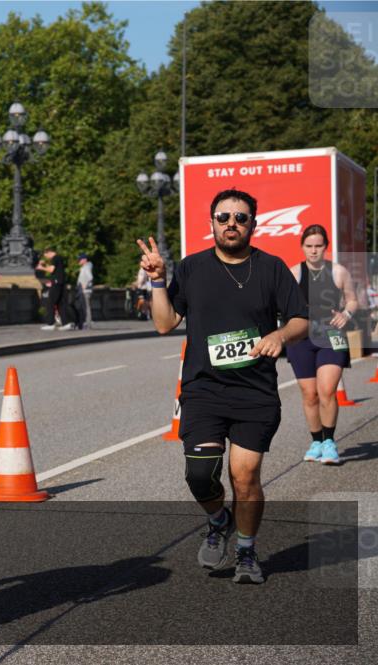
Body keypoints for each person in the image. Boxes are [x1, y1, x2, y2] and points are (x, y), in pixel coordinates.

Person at [137, 188, 308, 585]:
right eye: (223, 217)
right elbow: (165, 324)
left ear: (253, 223)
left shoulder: (272, 268)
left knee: (245, 476)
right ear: (212, 222)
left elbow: (301, 319)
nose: (232, 224)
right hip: (203, 389)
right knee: (199, 475)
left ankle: (247, 551)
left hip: (255, 393)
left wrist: (281, 336)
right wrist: (159, 282)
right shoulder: (192, 268)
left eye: (241, 218)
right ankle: (219, 520)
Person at [286, 224, 358, 465]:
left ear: (326, 247)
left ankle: (329, 442)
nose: (314, 251)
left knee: (327, 390)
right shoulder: (294, 272)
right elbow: (282, 304)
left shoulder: (338, 272)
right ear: (302, 247)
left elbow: (353, 300)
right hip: (301, 338)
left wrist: (346, 315)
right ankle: (316, 441)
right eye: (309, 246)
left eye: (318, 246)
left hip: (331, 336)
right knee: (309, 394)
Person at [38, 249, 74, 331]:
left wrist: (41, 267)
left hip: (56, 284)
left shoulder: (55, 258)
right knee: (61, 304)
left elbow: (51, 270)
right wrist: (46, 264)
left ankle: (50, 323)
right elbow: (55, 269)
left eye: (45, 255)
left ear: (48, 252)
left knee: (50, 303)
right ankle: (66, 323)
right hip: (61, 283)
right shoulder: (59, 258)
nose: (46, 257)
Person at [76, 253, 94, 329]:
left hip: (85, 290)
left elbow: (90, 277)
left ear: (85, 260)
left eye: (80, 259)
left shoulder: (86, 267)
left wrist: (84, 285)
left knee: (86, 307)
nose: (78, 261)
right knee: (85, 307)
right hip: (85, 290)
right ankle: (84, 323)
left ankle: (87, 324)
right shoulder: (85, 267)